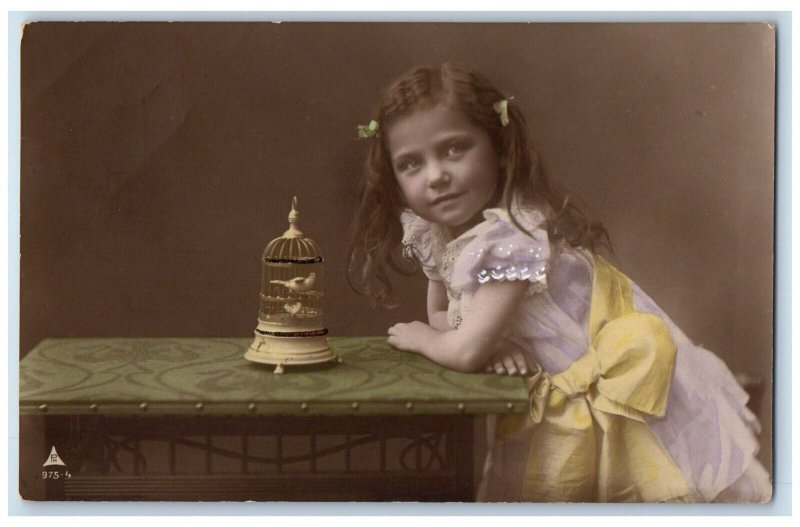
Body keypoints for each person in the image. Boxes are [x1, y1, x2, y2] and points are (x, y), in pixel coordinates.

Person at [347, 62, 771, 503]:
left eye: (454, 149)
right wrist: (491, 339)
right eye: (411, 163)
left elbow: (459, 347)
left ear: (498, 147)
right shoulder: (439, 236)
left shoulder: (511, 236)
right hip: (555, 394)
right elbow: (447, 319)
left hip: (612, 395)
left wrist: (429, 338)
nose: (435, 175)